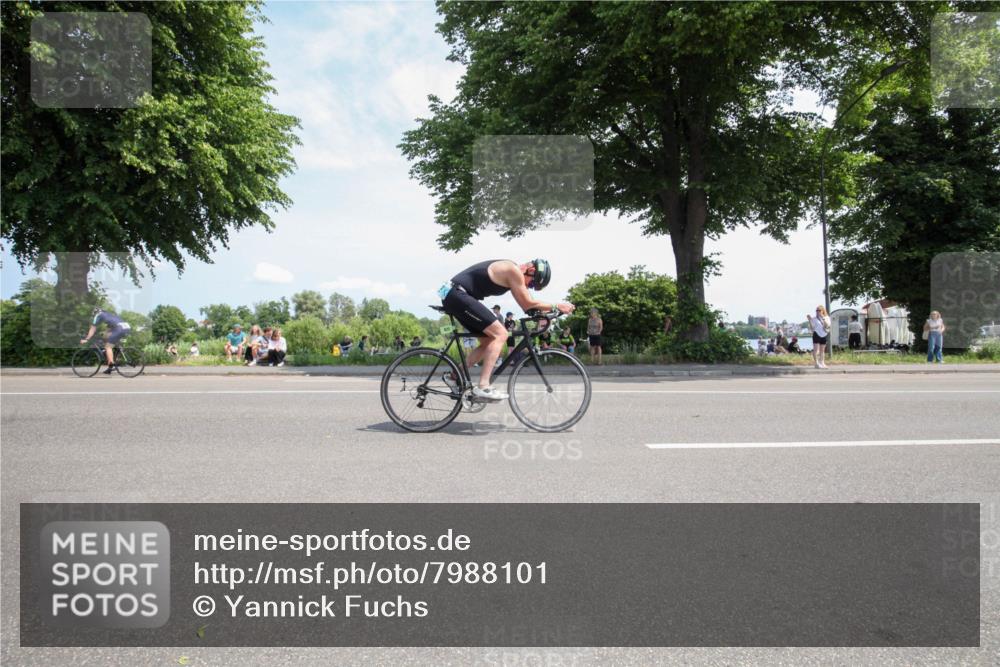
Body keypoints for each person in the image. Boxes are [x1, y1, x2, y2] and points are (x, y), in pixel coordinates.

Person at [438, 258, 573, 402]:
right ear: (531, 270)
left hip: (455, 295)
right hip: (457, 294)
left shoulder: (513, 273)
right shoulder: (513, 270)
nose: (529, 286)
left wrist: (545, 313)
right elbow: (527, 304)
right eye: (532, 283)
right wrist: (557, 306)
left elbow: (528, 306)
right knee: (501, 333)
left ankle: (454, 377)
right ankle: (483, 386)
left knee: (488, 341)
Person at [80, 307, 132, 374]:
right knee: (107, 338)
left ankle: (112, 365)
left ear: (96, 312)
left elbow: (93, 328)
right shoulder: (108, 314)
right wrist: (103, 335)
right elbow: (108, 330)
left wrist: (87, 339)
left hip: (119, 329)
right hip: (126, 327)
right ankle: (111, 366)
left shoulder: (98, 315)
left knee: (108, 347)